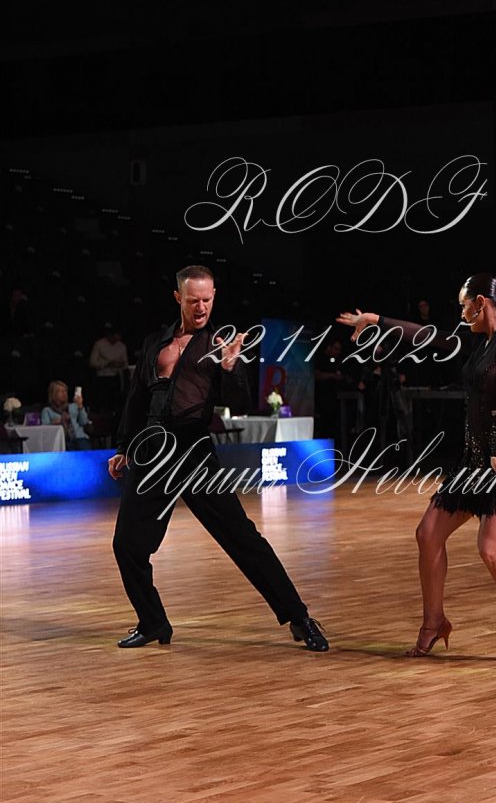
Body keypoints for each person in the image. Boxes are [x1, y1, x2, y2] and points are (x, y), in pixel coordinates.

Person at [108, 265, 328, 651]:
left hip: (193, 451)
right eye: (193, 300)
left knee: (242, 538)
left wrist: (230, 368)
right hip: (151, 451)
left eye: (207, 300)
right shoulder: (155, 343)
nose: (201, 307)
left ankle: (299, 618)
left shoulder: (218, 344)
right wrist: (124, 446)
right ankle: (153, 622)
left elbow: (239, 402)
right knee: (127, 543)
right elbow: (136, 398)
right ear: (178, 297)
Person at [337, 273, 496, 666]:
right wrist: (376, 320)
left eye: (464, 305)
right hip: (476, 457)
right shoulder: (480, 340)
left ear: (481, 303)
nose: (461, 312)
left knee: (491, 549)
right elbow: (429, 336)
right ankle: (434, 622)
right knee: (428, 534)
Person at [89, 325, 129, 413]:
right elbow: (92, 362)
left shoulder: (121, 346)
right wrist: (107, 363)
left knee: (115, 402)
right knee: (103, 402)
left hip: (116, 377)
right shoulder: (99, 344)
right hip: (102, 377)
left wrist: (119, 364)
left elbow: (125, 364)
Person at [41, 380, 91, 450]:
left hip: (79, 438)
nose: (64, 394)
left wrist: (80, 406)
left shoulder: (74, 406)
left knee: (84, 447)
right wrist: (54, 424)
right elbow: (44, 431)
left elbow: (84, 422)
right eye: (61, 392)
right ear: (54, 394)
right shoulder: (47, 411)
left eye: (65, 391)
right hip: (61, 440)